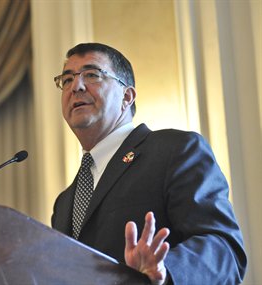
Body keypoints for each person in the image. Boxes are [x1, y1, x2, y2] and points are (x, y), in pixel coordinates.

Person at [51, 43, 247, 285]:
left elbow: (223, 251)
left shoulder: (174, 150)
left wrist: (165, 272)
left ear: (127, 96)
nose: (76, 87)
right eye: (67, 79)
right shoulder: (64, 203)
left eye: (92, 75)